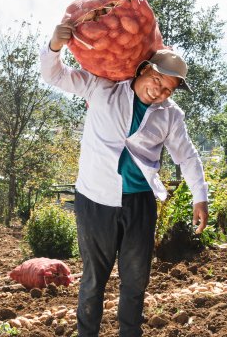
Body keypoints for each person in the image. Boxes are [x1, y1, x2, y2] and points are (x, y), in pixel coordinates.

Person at [41, 22, 210, 337]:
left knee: (135, 281)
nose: (158, 92)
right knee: (94, 279)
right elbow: (55, 75)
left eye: (167, 90)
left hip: (139, 204)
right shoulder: (102, 87)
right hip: (95, 201)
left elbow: (187, 156)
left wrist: (201, 197)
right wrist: (53, 46)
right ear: (144, 69)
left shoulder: (170, 115)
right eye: (157, 82)